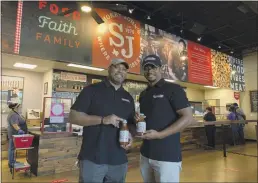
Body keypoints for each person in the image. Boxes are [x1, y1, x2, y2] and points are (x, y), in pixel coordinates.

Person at [69, 58, 136, 183]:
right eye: (117, 67)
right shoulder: (91, 90)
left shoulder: (128, 97)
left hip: (119, 160)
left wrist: (131, 135)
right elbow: (73, 116)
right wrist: (103, 119)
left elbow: (131, 123)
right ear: (109, 68)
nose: (120, 71)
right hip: (92, 158)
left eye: (124, 69)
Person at [136, 55, 194, 183]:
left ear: (161, 68)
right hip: (145, 153)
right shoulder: (143, 94)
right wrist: (139, 120)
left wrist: (160, 135)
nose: (150, 71)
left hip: (167, 156)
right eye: (146, 68)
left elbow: (188, 117)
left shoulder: (173, 89)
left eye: (153, 67)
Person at [7, 103, 27, 171]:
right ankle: (11, 162)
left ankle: (12, 161)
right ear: (15, 107)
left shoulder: (14, 113)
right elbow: (15, 124)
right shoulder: (14, 114)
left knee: (12, 148)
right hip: (14, 133)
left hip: (13, 133)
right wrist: (20, 130)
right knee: (11, 149)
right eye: (20, 107)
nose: (21, 108)